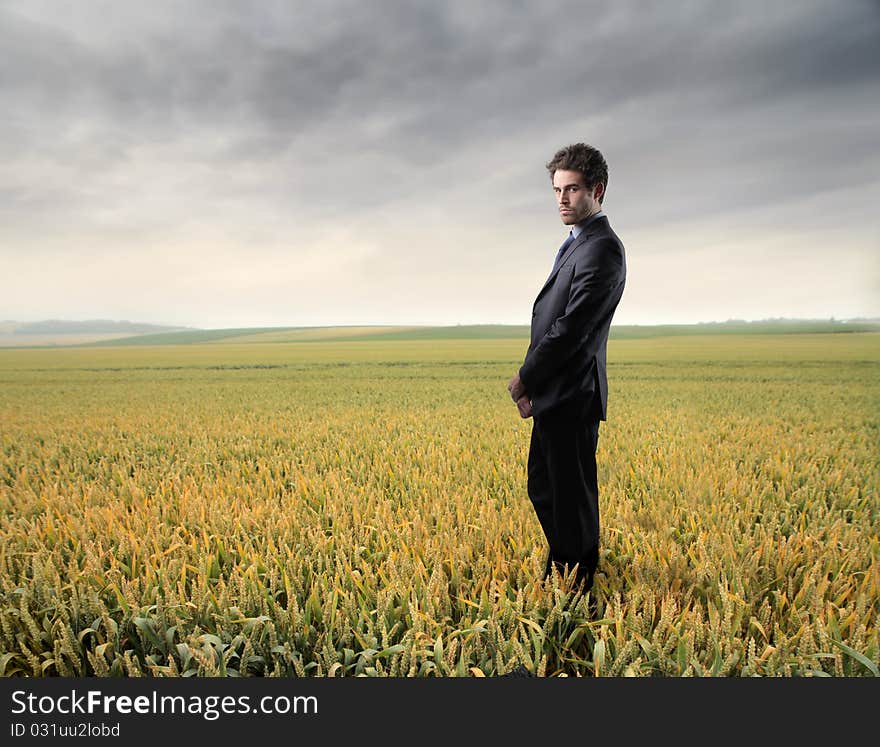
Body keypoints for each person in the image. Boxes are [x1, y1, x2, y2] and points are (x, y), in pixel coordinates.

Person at [507, 142, 626, 591]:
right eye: (557, 189)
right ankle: (568, 564)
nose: (562, 199)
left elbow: (571, 330)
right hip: (559, 390)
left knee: (568, 492)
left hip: (573, 392)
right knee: (547, 486)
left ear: (597, 190)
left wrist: (526, 378)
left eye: (572, 189)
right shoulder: (579, 243)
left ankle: (576, 580)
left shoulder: (602, 250)